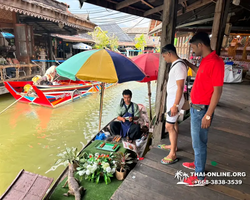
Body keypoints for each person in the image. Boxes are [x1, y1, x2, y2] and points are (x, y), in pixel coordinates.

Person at [182, 32, 224, 186]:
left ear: (200, 45)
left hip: (202, 110)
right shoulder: (206, 60)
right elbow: (200, 73)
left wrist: (208, 115)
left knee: (199, 144)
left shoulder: (216, 62)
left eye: (193, 47)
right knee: (197, 142)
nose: (192, 50)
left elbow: (218, 91)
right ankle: (197, 164)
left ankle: (200, 178)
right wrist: (189, 64)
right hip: (196, 108)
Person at [158, 44, 187, 165]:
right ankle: (173, 146)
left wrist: (175, 105)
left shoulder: (179, 66)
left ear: (169, 53)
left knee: (169, 126)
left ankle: (173, 154)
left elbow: (180, 87)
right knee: (173, 123)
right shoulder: (177, 64)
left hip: (175, 100)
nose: (164, 59)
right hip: (172, 99)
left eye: (164, 56)